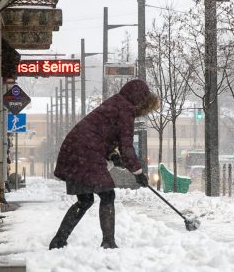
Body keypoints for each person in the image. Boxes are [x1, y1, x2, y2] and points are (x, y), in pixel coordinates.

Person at [49, 79, 160, 249]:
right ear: (140, 100)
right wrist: (138, 173)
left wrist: (112, 155)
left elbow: (101, 133)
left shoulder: (116, 103)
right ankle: (108, 242)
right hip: (85, 152)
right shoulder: (125, 110)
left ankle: (59, 240)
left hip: (75, 149)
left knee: (85, 199)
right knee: (107, 195)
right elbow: (127, 146)